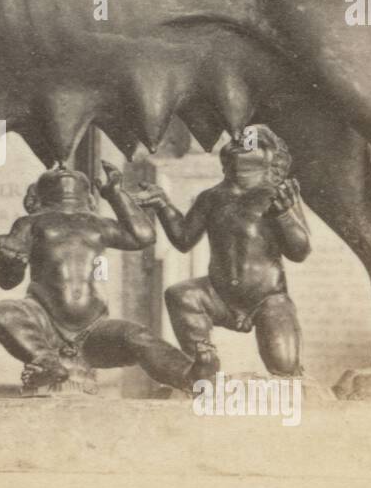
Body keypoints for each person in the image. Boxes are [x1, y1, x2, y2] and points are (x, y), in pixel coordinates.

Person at [0, 162, 214, 393]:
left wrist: (116, 195)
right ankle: (45, 360)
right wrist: (9, 260)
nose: (64, 173)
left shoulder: (98, 224)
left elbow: (144, 237)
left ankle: (189, 375)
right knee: (2, 313)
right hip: (43, 322)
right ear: (37, 194)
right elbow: (7, 281)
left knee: (137, 337)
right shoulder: (30, 223)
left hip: (94, 330)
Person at [131, 125, 310, 378]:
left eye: (251, 143)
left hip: (267, 297)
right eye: (238, 141)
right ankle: (203, 368)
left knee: (284, 367)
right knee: (181, 295)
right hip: (218, 294)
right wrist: (163, 204)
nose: (241, 144)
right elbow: (183, 239)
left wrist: (284, 215)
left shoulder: (275, 196)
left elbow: (300, 252)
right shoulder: (212, 198)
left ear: (270, 156)